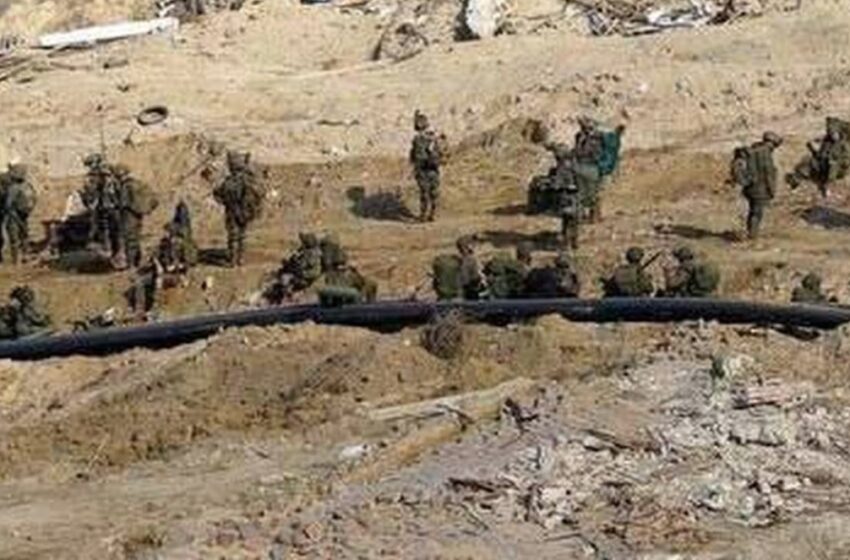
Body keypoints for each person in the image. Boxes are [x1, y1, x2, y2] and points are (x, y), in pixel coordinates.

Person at [213, 151, 263, 267]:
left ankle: (233, 261)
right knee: (242, 235)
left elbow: (221, 194)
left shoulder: (230, 181)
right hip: (245, 212)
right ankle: (241, 259)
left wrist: (218, 194)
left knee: (233, 237)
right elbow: (260, 193)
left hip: (232, 212)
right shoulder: (250, 180)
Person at [730, 131, 783, 239]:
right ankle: (752, 235)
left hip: (750, 186)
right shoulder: (765, 153)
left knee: (752, 211)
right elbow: (768, 173)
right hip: (759, 188)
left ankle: (750, 232)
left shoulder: (754, 149)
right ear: (771, 143)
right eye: (774, 145)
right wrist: (772, 190)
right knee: (757, 213)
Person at [787, 117, 850, 197]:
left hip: (836, 168)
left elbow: (844, 160)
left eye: (834, 133)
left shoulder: (844, 145)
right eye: (830, 133)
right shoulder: (827, 141)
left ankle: (826, 186)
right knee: (806, 163)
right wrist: (813, 148)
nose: (833, 135)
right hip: (822, 163)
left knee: (831, 166)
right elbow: (820, 151)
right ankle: (794, 182)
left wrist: (833, 160)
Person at [80, 153, 123, 258]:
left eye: (91, 164)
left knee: (112, 230)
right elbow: (92, 192)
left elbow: (114, 191)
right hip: (102, 207)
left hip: (110, 206)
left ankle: (115, 252)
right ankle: (110, 251)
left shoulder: (106, 176)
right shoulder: (95, 176)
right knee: (104, 229)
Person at [409, 111, 445, 222]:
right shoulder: (425, 139)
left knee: (428, 193)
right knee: (429, 193)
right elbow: (414, 154)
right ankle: (427, 214)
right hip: (427, 169)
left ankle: (428, 214)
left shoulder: (427, 139)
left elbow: (414, 155)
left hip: (427, 169)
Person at [267, 232, 323, 304]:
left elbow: (313, 271)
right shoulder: (306, 252)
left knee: (285, 279)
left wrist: (300, 272)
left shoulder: (313, 255)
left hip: (305, 278)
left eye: (304, 242)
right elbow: (298, 262)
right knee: (278, 276)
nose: (302, 244)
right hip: (301, 274)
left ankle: (284, 298)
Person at [0, 163, 36, 264]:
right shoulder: (28, 186)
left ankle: (15, 260)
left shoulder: (13, 188)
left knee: (14, 238)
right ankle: (25, 256)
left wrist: (5, 212)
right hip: (24, 215)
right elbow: (35, 198)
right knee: (24, 235)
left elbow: (8, 204)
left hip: (13, 215)